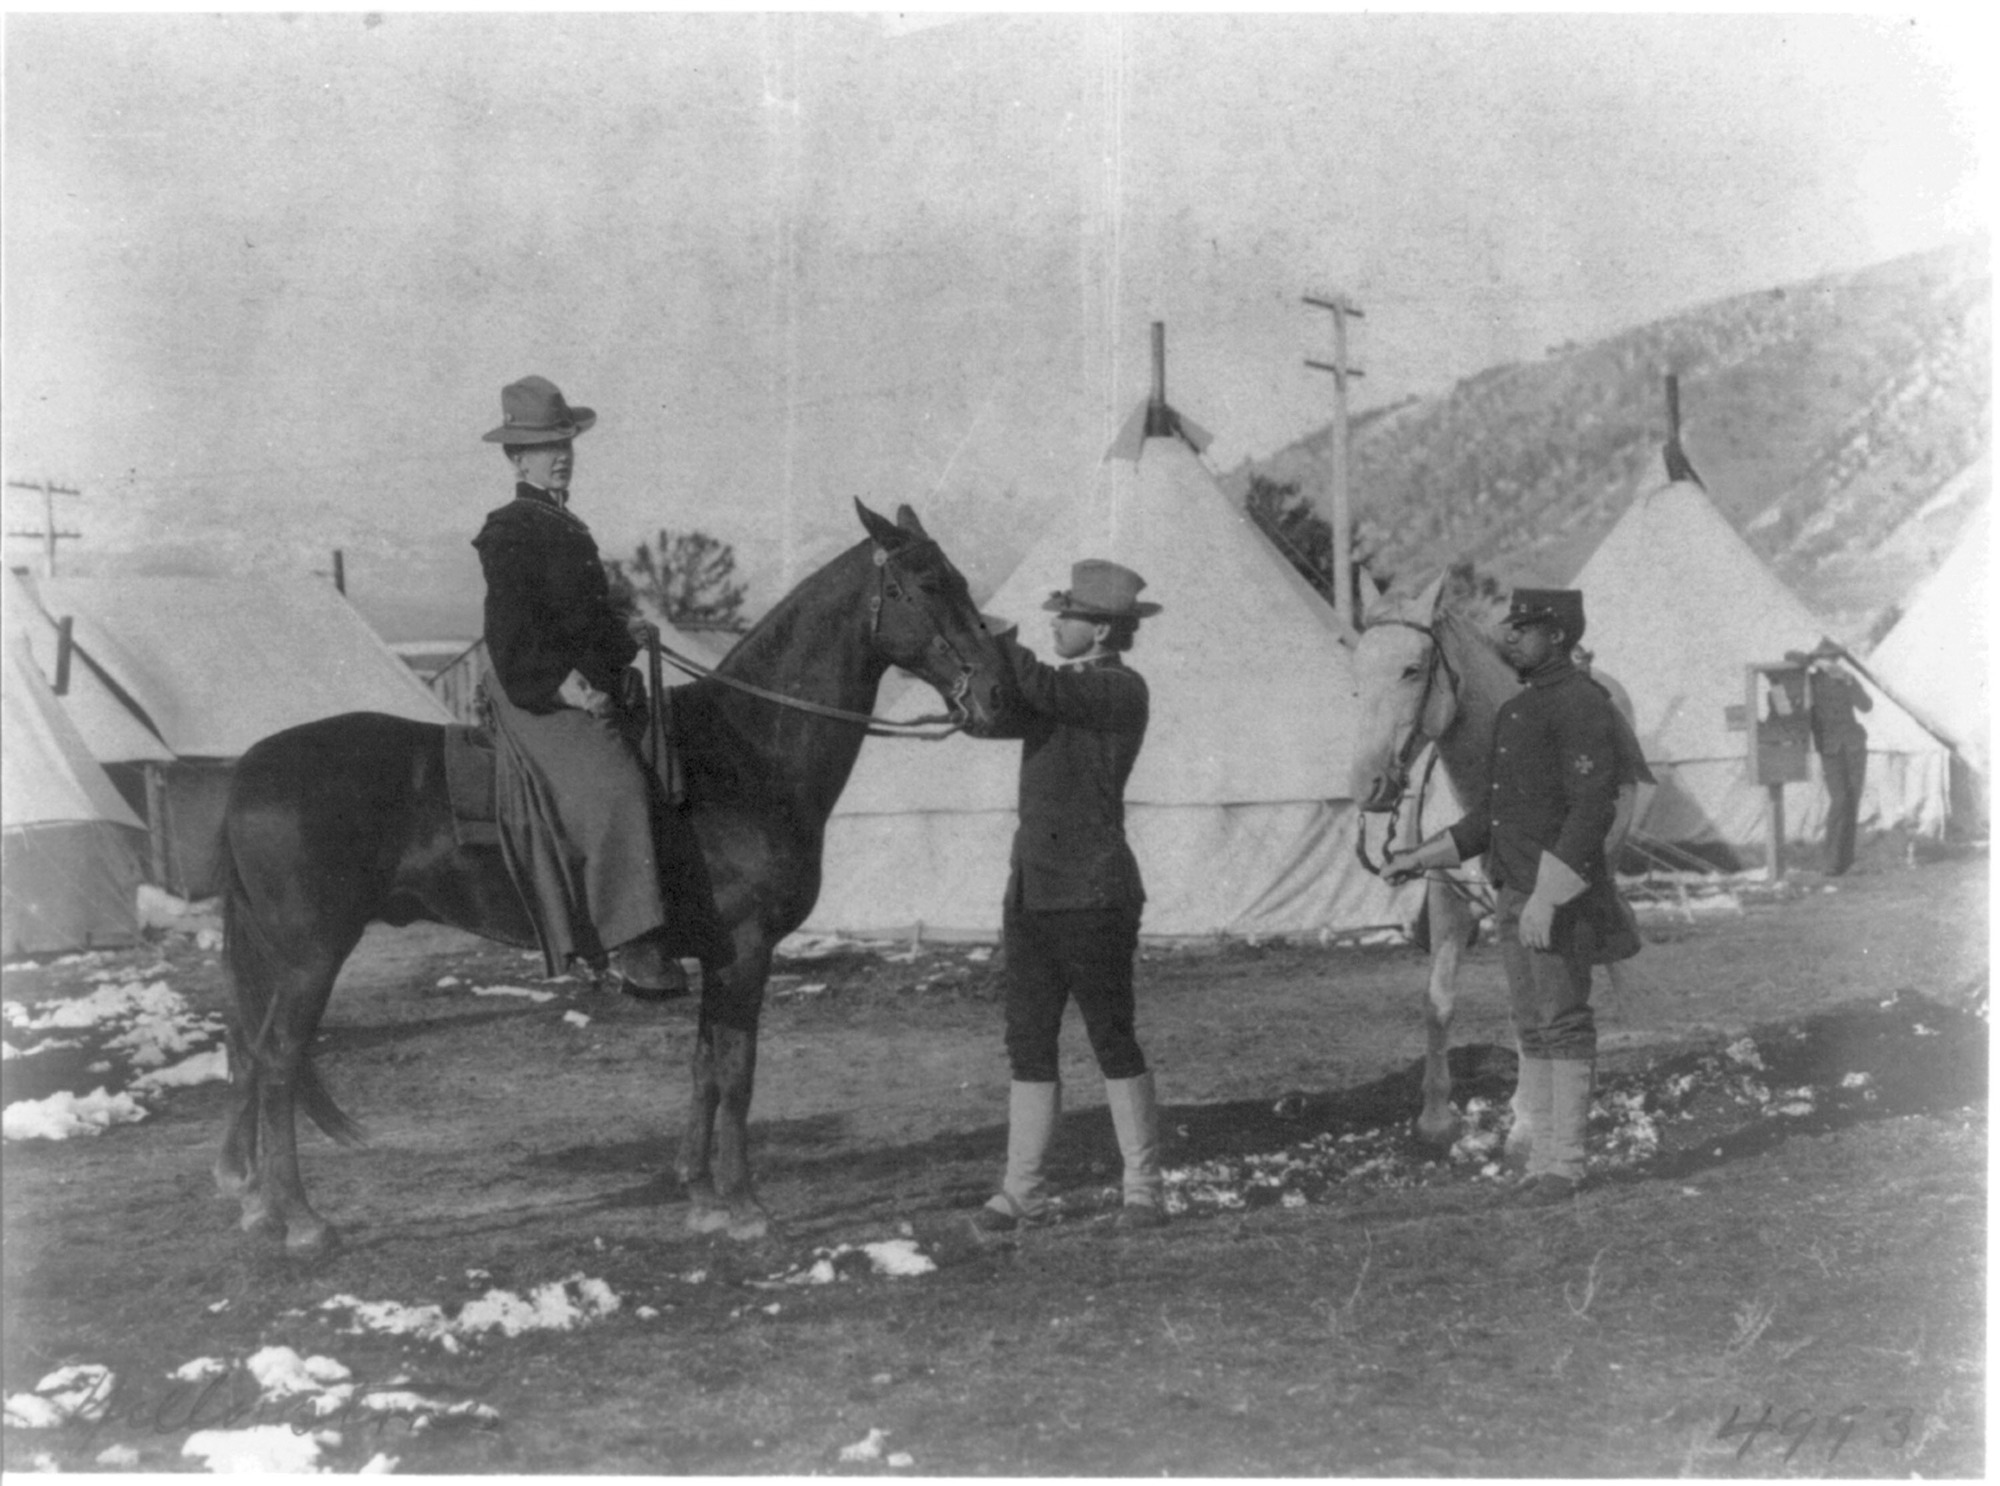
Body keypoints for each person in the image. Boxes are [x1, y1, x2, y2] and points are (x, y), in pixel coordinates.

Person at [472, 375, 734, 999]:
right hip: (535, 689)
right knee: (613, 786)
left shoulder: (567, 525)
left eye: (566, 439)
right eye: (544, 444)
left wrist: (624, 632)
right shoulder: (510, 529)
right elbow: (513, 635)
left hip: (584, 682)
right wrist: (565, 690)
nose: (561, 453)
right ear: (516, 457)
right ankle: (629, 942)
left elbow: (578, 620)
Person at [1383, 589, 1633, 1204]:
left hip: (1555, 891)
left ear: (1561, 636)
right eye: (1512, 626)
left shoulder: (1582, 704)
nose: (1512, 636)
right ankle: (1545, 1156)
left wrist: (1550, 896)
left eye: (1527, 628)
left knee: (1563, 1021)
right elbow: (1493, 814)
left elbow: (1590, 809)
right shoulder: (1522, 709)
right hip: (1512, 888)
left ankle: (1564, 1163)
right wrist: (1423, 856)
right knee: (1533, 1023)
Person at [971, 560, 1166, 1235]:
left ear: (1103, 628)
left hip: (1093, 891)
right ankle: (1021, 1192)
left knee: (1111, 1035)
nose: (1056, 623)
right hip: (1033, 890)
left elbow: (1038, 686)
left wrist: (995, 634)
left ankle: (1144, 1188)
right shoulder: (1065, 692)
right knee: (1028, 1042)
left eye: (1067, 615)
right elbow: (1001, 709)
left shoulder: (1119, 689)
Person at [1785, 638, 1873, 876]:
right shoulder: (1810, 681)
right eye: (1829, 659)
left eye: (1836, 658)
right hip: (1830, 747)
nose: (1834, 662)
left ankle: (1846, 860)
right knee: (1840, 799)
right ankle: (1831, 862)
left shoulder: (1846, 680)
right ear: (1818, 661)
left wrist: (1849, 680)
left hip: (1854, 745)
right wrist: (1811, 662)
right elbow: (1790, 656)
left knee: (1852, 801)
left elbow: (1866, 706)